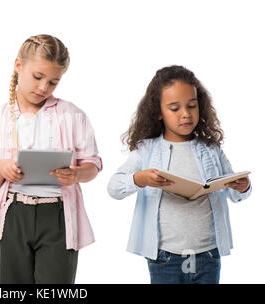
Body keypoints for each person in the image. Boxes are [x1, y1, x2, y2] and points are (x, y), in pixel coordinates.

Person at [107, 65, 251, 284]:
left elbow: (235, 193)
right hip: (165, 257)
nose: (186, 114)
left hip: (208, 254)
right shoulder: (147, 150)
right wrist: (141, 179)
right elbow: (114, 187)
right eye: (175, 108)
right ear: (158, 112)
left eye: (192, 106)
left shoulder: (211, 150)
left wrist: (242, 187)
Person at [0, 34, 102, 284]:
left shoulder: (72, 116)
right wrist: (1, 168)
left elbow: (93, 165)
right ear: (18, 66)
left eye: (53, 82)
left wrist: (77, 173)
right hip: (13, 215)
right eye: (37, 77)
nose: (44, 87)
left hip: (57, 215)